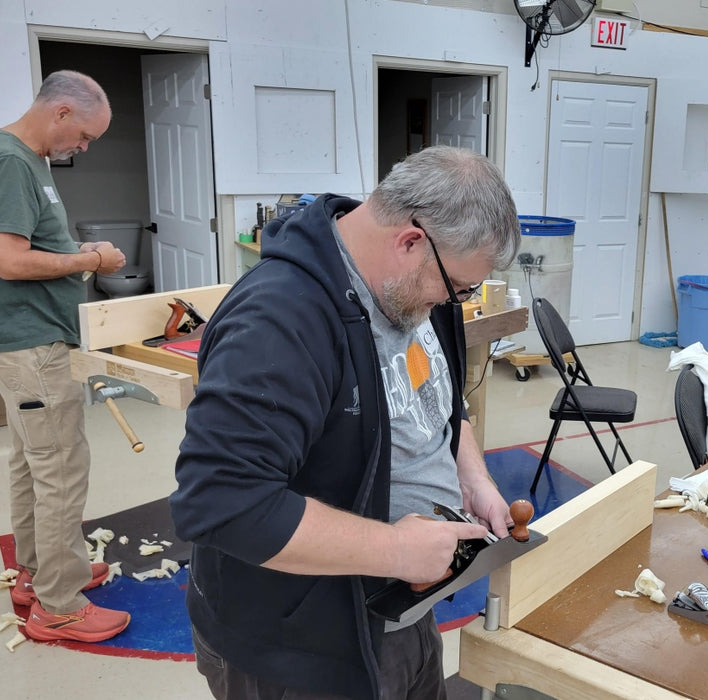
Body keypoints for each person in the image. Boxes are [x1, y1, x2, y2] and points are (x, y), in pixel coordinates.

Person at [171, 145, 521, 699]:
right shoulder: (280, 320)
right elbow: (222, 504)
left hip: (399, 609)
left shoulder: (406, 289)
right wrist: (397, 551)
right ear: (410, 241)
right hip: (300, 646)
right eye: (458, 288)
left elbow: (435, 401)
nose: (455, 303)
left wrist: (472, 478)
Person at [0, 70, 131, 643]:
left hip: (27, 337)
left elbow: (33, 245)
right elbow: (9, 261)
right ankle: (59, 604)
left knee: (33, 462)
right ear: (60, 112)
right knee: (60, 468)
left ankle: (41, 575)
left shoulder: (26, 158)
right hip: (29, 341)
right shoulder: (10, 161)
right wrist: (90, 263)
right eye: (83, 136)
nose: (82, 148)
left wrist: (76, 250)